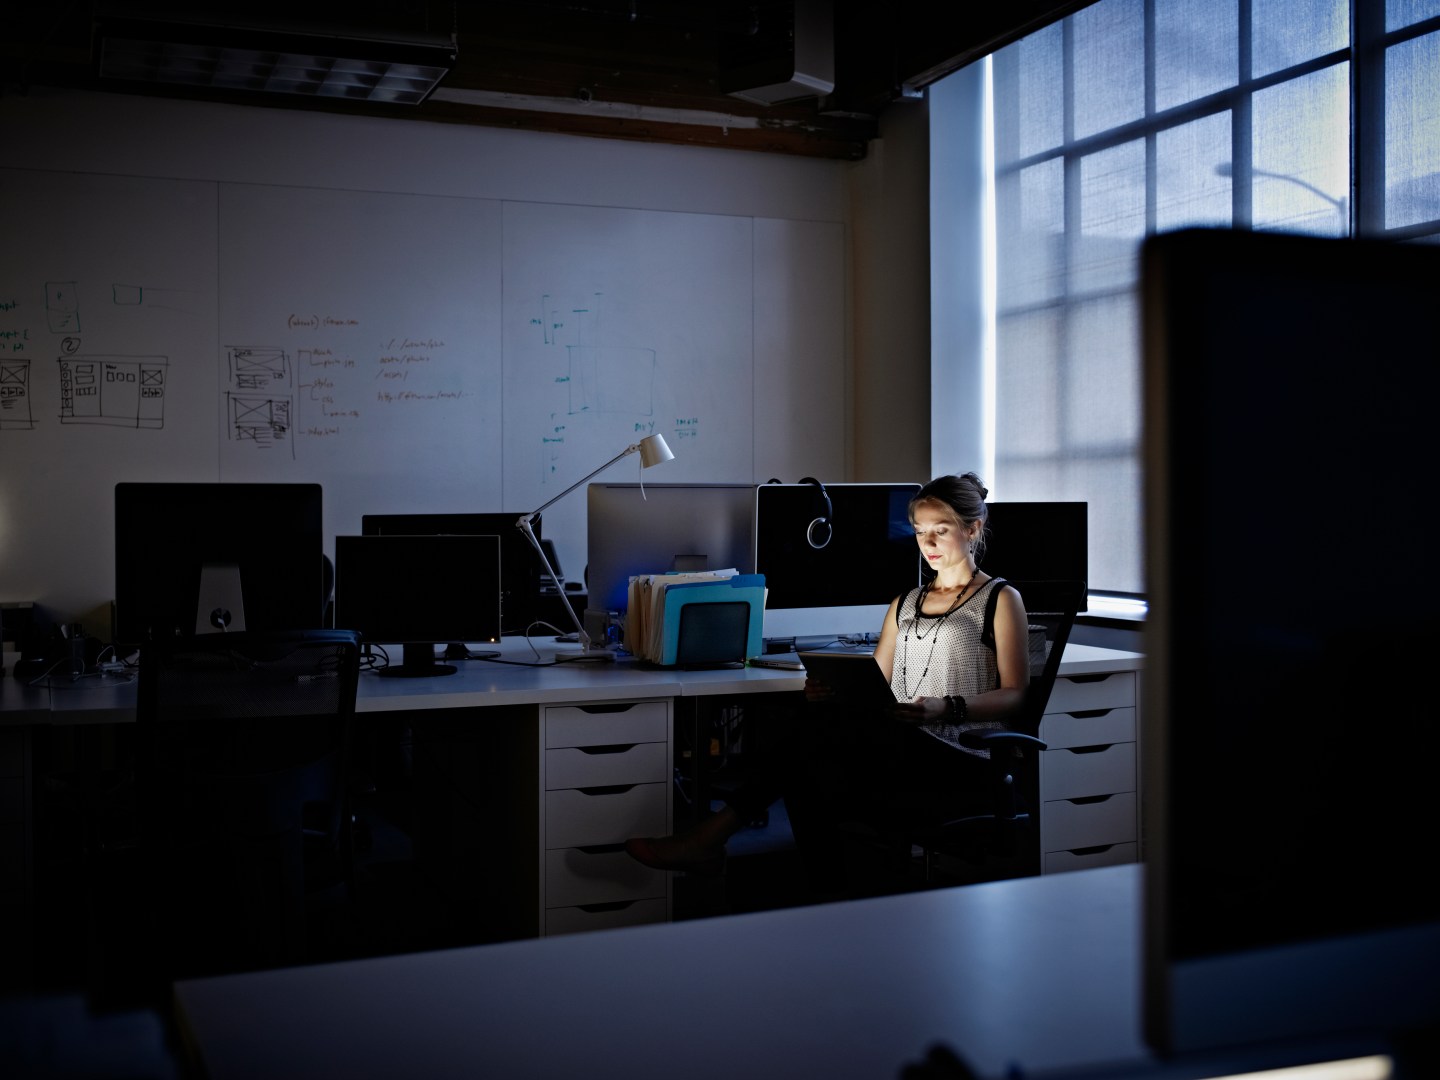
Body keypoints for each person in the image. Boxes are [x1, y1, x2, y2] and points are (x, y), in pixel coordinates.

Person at [624, 472, 1031, 889]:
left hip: (962, 756)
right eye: (919, 532)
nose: (927, 544)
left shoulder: (1000, 598)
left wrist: (946, 707)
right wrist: (833, 693)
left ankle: (714, 841)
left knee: (806, 745)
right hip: (903, 748)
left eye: (940, 532)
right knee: (807, 749)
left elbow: (1017, 695)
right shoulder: (905, 603)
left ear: (972, 529)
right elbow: (876, 684)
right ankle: (826, 891)